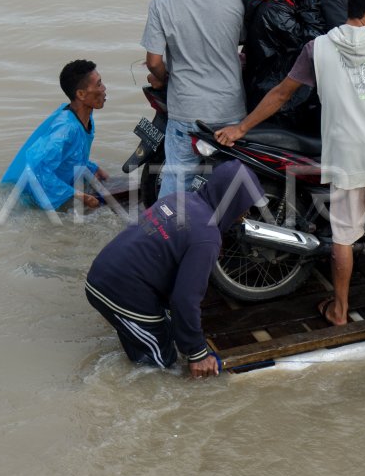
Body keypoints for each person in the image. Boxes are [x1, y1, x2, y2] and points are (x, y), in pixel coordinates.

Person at [215, 0, 365, 325]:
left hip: (344, 155)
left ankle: (338, 309)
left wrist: (240, 128)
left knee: (343, 235)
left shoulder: (317, 47)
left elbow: (280, 94)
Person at [84, 160, 267, 377]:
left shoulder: (180, 198)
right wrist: (198, 354)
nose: (245, 212)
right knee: (162, 368)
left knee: (165, 332)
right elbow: (184, 299)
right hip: (119, 292)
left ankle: (134, 338)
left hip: (104, 271)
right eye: (245, 205)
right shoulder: (206, 237)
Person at [142, 0, 245, 198]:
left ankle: (165, 235)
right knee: (229, 183)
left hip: (187, 110)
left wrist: (164, 78)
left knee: (176, 182)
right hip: (230, 111)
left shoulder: (161, 4)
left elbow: (153, 62)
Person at [236, 0, 327, 134]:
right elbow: (313, 44)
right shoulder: (272, 10)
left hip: (275, 94)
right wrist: (311, 0)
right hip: (282, 107)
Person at [0, 59, 108, 210]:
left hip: (58, 185)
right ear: (81, 94)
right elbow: (38, 170)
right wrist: (79, 196)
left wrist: (93, 168)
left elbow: (70, 155)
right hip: (30, 200)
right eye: (98, 84)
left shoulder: (84, 117)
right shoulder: (66, 129)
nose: (104, 88)